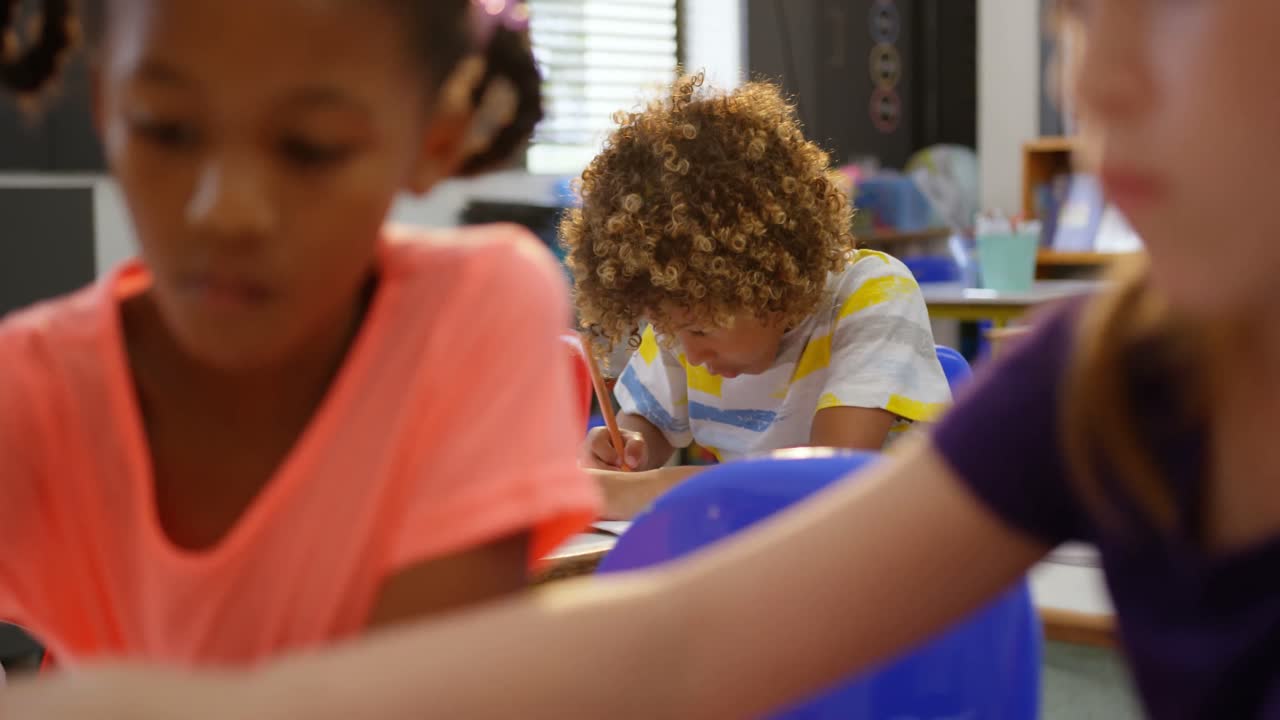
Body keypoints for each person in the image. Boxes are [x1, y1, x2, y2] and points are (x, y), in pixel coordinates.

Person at [6, 0, 1280, 717]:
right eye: (1066, 15)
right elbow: (681, 645)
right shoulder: (1105, 382)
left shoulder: (885, 310)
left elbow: (801, 490)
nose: (1092, 75)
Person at [0, 0, 598, 666]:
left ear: (436, 139)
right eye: (165, 130)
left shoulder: (468, 313)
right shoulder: (31, 390)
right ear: (105, 107)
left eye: (311, 147)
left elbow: (421, 694)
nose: (225, 212)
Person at [563, 75, 950, 519]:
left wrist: (635, 493)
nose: (689, 351)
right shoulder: (684, 316)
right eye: (669, 329)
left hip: (896, 553)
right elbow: (646, 424)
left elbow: (829, 486)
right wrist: (623, 453)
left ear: (771, 277)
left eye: (700, 329)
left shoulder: (872, 296)